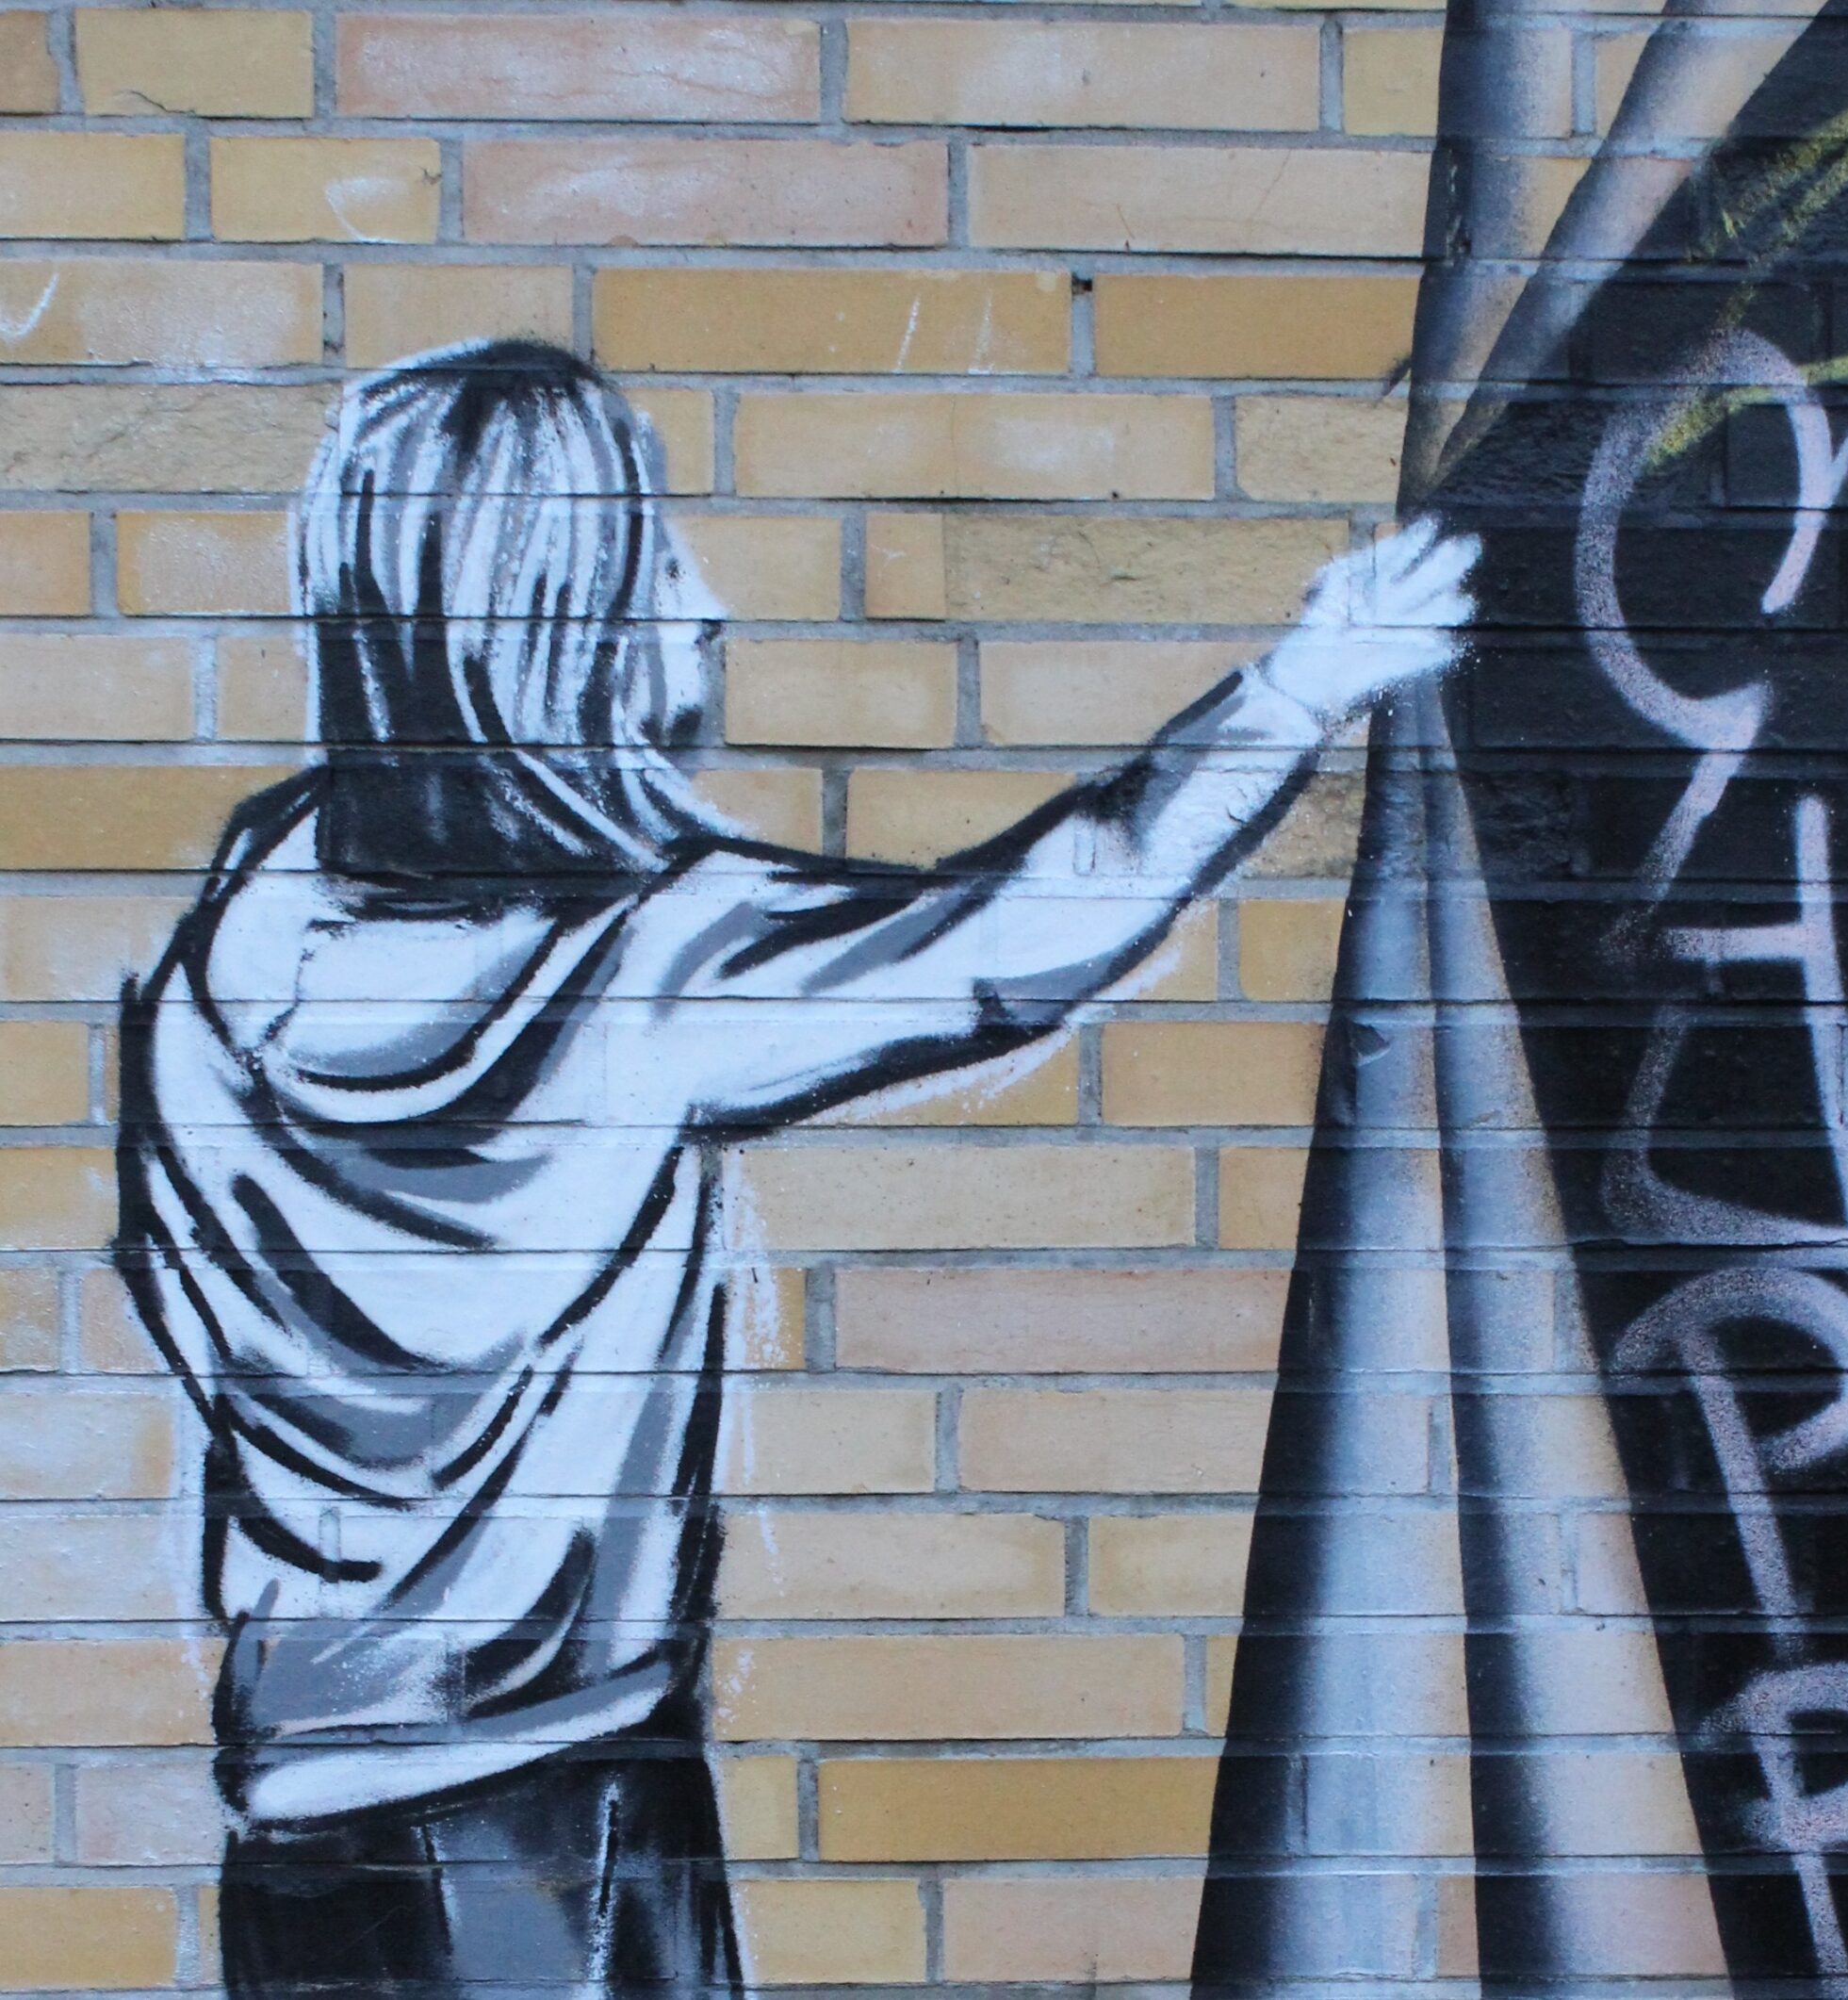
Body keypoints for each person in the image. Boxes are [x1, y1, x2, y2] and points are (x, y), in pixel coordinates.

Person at [113, 339, 1479, 1998]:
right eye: (647, 560)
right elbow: (1024, 930)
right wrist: (1300, 685)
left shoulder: (227, 944)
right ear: (556, 625)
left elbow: (185, 1301)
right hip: (558, 1810)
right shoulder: (646, 970)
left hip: (296, 1823)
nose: (702, 602)